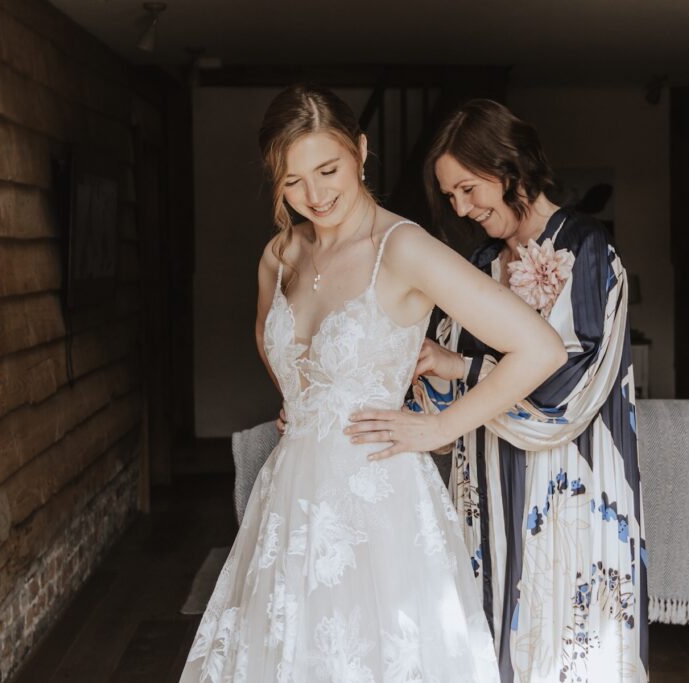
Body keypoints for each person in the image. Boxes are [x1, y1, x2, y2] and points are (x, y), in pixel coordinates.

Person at [180, 85, 566, 682]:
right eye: (292, 181)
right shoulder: (278, 256)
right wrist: (305, 398)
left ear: (361, 151)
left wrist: (439, 425)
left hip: (379, 506)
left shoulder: (403, 248)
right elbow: (275, 346)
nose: (315, 195)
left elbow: (539, 347)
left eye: (329, 169)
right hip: (288, 503)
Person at [349, 100, 648, 682]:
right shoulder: (481, 263)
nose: (461, 208)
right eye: (450, 195)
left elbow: (569, 387)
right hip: (485, 487)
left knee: (568, 648)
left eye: (468, 188)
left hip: (570, 491)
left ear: (509, 166)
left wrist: (462, 369)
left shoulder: (588, 251)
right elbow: (432, 401)